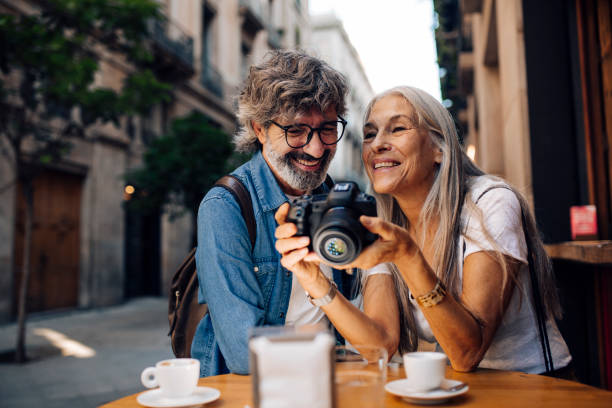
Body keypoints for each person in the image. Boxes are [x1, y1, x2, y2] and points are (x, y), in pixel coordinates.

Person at [280, 85, 572, 375]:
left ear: (439, 149)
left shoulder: (489, 203)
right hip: (459, 390)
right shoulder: (381, 221)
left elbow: (468, 352)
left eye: (398, 129)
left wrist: (408, 255)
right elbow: (379, 344)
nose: (377, 143)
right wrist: (315, 282)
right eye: (370, 134)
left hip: (534, 384)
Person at [191, 50, 398, 377]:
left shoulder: (338, 200)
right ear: (259, 129)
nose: (316, 149)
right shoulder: (226, 206)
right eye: (297, 131)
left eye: (328, 129)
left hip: (328, 384)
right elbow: (245, 355)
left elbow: (373, 331)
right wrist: (332, 345)